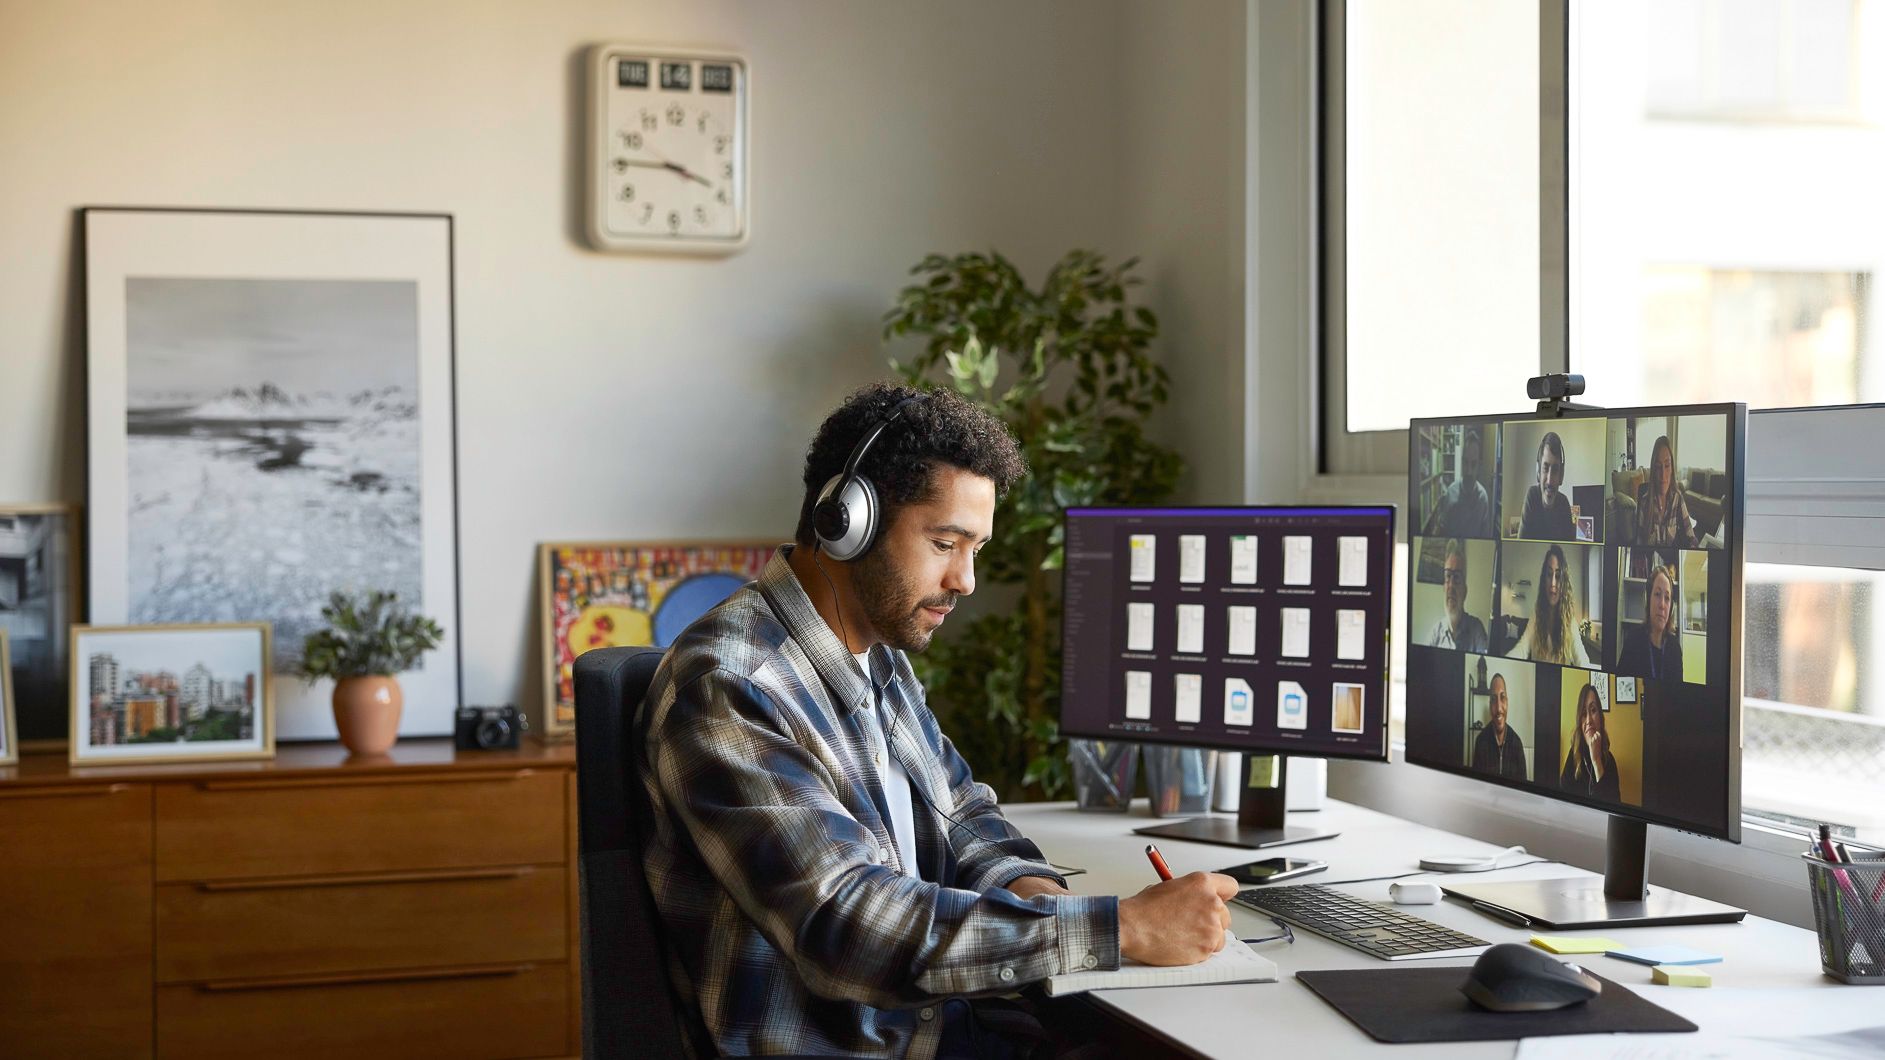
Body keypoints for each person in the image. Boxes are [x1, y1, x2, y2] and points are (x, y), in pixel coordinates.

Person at [636, 382, 1238, 1059]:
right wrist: (1115, 930)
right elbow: (847, 925)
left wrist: (1034, 895)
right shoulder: (732, 689)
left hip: (930, 1027)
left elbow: (959, 811)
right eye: (944, 542)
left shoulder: (874, 652)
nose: (966, 580)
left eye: (974, 547)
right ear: (846, 522)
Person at [1508, 544, 1591, 667]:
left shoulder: (1569, 621)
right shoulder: (1536, 615)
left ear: (1564, 582)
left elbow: (1582, 659)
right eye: (1549, 574)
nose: (1553, 583)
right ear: (1544, 578)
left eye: (1557, 576)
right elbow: (1522, 648)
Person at [1617, 564, 1684, 682]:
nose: (1662, 605)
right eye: (1657, 594)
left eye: (1667, 598)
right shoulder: (1632, 641)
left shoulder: (1675, 649)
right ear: (1648, 600)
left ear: (1671, 607)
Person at [1425, 538, 1489, 652]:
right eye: (1448, 576)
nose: (1451, 585)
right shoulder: (1434, 634)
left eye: (1457, 577)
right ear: (1443, 588)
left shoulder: (1477, 629)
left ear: (1465, 591)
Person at [1560, 682, 1621, 800]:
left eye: (1593, 710)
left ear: (1601, 718)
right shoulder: (1573, 756)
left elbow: (1613, 807)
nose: (1588, 720)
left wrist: (1596, 761)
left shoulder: (1610, 761)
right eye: (1583, 714)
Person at [1635, 435, 1697, 548]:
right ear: (1653, 470)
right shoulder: (1644, 502)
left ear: (1672, 469)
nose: (1663, 475)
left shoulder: (1678, 499)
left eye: (1667, 466)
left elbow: (1691, 537)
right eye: (1658, 467)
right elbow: (1639, 545)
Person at [1432, 428, 1494, 538]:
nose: (1469, 471)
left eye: (1473, 464)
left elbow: (1485, 538)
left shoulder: (1483, 498)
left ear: (1479, 466)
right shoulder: (1451, 492)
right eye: (1465, 462)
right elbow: (1441, 530)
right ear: (1461, 461)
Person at [1518, 431, 1576, 541]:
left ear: (1561, 475)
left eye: (1555, 470)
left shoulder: (1564, 503)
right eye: (1545, 469)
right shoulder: (1532, 496)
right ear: (1538, 472)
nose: (1549, 481)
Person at [1470, 672, 1528, 780]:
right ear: (1489, 704)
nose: (1499, 708)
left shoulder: (1517, 744)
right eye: (1493, 699)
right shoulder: (1480, 741)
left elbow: (1523, 791)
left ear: (1507, 702)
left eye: (1502, 697)